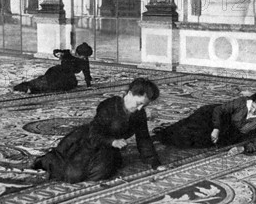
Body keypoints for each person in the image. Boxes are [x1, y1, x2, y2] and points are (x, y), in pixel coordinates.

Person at [32, 78, 164, 183]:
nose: (140, 108)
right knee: (73, 176)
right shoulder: (109, 106)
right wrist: (112, 142)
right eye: (138, 103)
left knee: (99, 174)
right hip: (89, 141)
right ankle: (45, 161)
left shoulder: (139, 114)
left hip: (108, 149)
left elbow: (144, 139)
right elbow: (94, 133)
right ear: (129, 94)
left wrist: (155, 164)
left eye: (144, 105)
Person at [154, 91, 256, 154]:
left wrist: (242, 148)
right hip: (215, 116)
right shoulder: (242, 102)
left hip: (227, 133)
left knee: (192, 140)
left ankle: (164, 136)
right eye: (253, 106)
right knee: (191, 124)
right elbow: (219, 110)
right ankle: (160, 135)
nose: (253, 110)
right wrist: (216, 128)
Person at [14, 42, 93, 94]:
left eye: (87, 57)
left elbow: (87, 72)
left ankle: (33, 90)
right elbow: (56, 51)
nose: (85, 58)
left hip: (69, 78)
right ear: (78, 53)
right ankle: (24, 86)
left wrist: (88, 84)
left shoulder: (84, 61)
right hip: (57, 72)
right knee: (44, 82)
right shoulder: (67, 53)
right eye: (84, 56)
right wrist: (58, 54)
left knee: (62, 87)